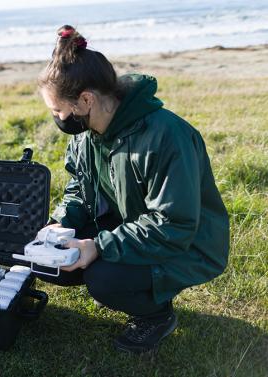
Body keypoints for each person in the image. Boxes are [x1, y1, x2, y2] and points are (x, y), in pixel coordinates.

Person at [35, 25, 229, 353]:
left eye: (58, 110)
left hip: (187, 243)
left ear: (85, 100)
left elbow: (174, 225)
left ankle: (155, 315)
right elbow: (80, 187)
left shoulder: (166, 136)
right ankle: (127, 282)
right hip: (131, 226)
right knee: (49, 259)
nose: (57, 118)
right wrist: (63, 223)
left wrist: (98, 246)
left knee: (104, 280)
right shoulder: (86, 135)